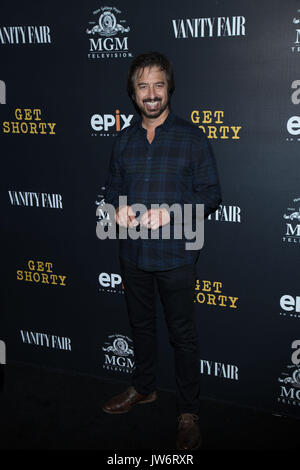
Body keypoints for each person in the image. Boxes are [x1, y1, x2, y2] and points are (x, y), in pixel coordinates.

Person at [102, 52, 222, 451]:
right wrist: (116, 204)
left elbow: (211, 196)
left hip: (176, 257)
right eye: (142, 86)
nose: (151, 94)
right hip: (132, 255)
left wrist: (169, 214)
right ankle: (144, 387)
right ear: (133, 93)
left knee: (183, 336)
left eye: (157, 84)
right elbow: (112, 187)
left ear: (168, 87)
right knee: (141, 327)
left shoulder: (192, 137)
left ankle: (189, 411)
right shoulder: (123, 140)